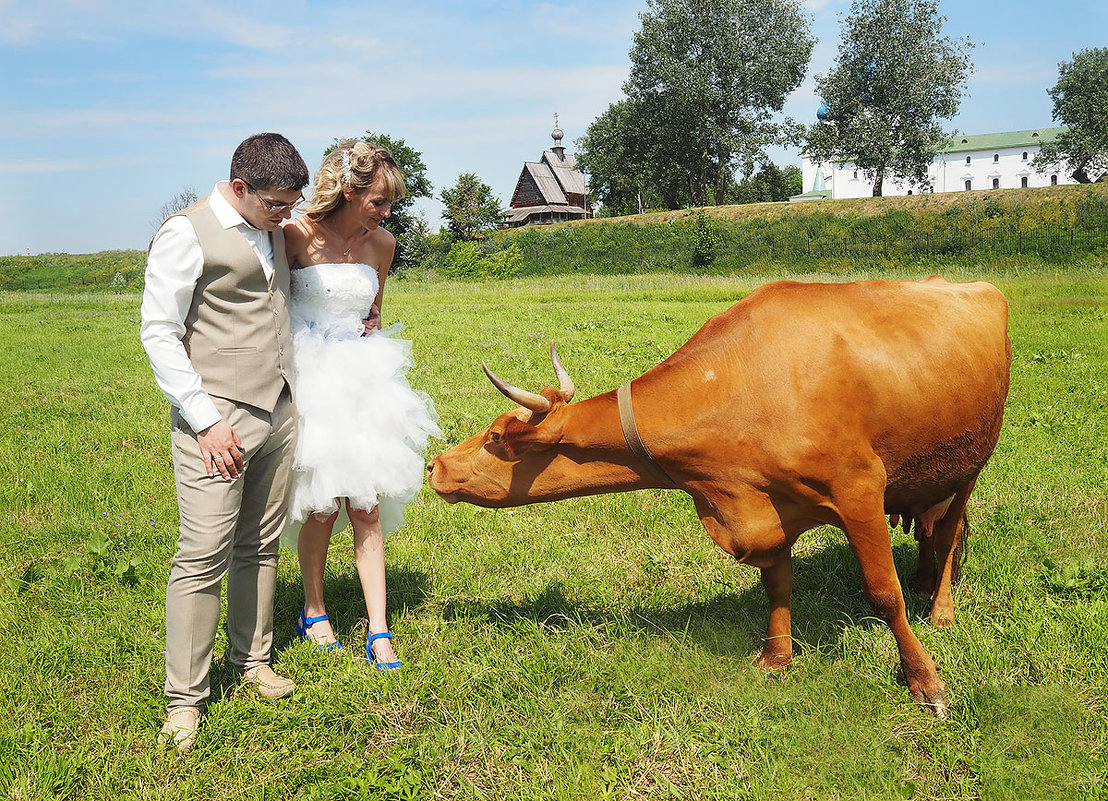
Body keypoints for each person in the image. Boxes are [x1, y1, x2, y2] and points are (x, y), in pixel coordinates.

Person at [141, 133, 309, 753]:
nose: (284, 216)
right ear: (240, 188)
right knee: (203, 553)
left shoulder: (272, 222)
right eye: (274, 205)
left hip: (281, 405)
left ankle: (254, 658)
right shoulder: (185, 233)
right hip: (216, 419)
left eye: (292, 204)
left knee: (262, 543)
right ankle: (185, 700)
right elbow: (159, 331)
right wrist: (206, 420)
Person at [281, 139, 440, 670]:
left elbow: (374, 308)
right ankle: (314, 608)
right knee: (323, 505)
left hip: (364, 379)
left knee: (367, 505)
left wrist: (370, 324)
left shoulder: (383, 244)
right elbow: (271, 306)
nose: (386, 214)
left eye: (390, 204)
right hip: (311, 379)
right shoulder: (295, 236)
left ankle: (379, 629)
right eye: (378, 202)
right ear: (348, 192)